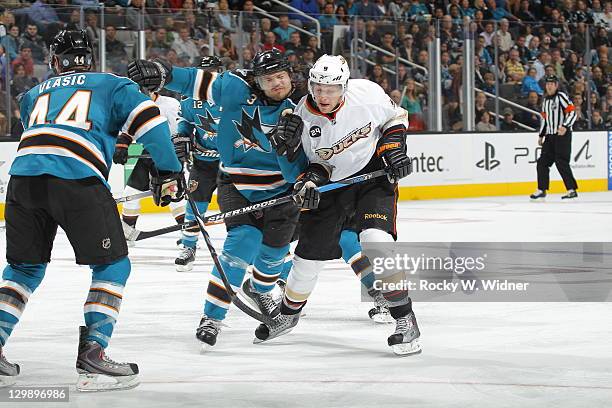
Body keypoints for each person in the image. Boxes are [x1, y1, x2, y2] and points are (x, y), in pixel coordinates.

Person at [0, 30, 183, 391]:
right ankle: (94, 354)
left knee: (23, 269)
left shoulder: (32, 94)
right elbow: (151, 121)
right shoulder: (111, 84)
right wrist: (170, 171)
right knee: (113, 264)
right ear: (90, 58)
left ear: (54, 62)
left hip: (21, 181)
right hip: (76, 178)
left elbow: (45, 133)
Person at [127, 50, 302, 352]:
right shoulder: (236, 87)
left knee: (275, 255)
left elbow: (309, 158)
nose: (276, 83)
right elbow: (193, 81)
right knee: (240, 244)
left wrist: (294, 149)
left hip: (283, 193)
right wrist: (161, 70)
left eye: (281, 77)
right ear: (256, 81)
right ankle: (211, 318)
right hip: (237, 185)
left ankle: (260, 289)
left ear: (291, 75)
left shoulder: (304, 105)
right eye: (268, 79)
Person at [262, 55, 420, 356]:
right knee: (307, 257)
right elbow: (317, 166)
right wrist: (308, 183)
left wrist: (394, 150)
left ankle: (405, 319)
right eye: (318, 88)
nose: (323, 95)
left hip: (372, 177)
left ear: (344, 87)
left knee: (376, 241)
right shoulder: (302, 117)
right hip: (333, 186)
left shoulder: (368, 93)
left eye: (331, 89)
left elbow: (395, 117)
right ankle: (289, 314)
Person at [113, 87, 186, 242]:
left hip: (167, 155)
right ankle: (126, 231)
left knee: (172, 194)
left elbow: (179, 131)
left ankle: (186, 233)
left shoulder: (170, 104)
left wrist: (178, 152)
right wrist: (122, 146)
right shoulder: (135, 105)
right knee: (130, 193)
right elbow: (130, 129)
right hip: (147, 154)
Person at [174, 56, 223, 272]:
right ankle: (188, 246)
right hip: (203, 162)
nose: (208, 76)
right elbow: (185, 122)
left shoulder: (233, 96)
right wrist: (183, 137)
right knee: (195, 204)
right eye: (204, 72)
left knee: (240, 208)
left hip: (231, 164)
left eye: (212, 72)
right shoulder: (188, 100)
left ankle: (246, 249)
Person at [530, 75, 578, 200]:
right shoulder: (545, 100)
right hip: (550, 136)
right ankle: (541, 189)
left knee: (561, 162)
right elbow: (544, 120)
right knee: (542, 162)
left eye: (552, 84)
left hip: (562, 135)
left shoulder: (561, 97)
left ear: (556, 85)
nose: (549, 86)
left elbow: (572, 112)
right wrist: (541, 135)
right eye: (548, 84)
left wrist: (565, 126)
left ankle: (571, 189)